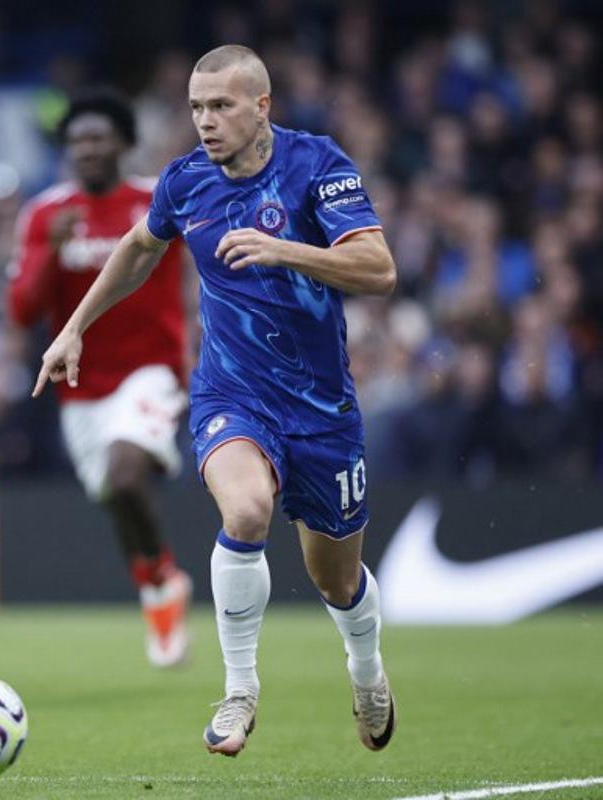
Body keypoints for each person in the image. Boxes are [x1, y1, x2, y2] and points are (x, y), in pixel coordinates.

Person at [33, 46, 398, 756]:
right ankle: (239, 691)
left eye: (221, 106)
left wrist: (286, 249)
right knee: (246, 509)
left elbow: (378, 268)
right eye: (197, 107)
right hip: (231, 392)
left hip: (321, 409)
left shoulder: (318, 168)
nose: (205, 121)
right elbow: (141, 249)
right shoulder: (185, 180)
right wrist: (75, 327)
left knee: (337, 578)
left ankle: (366, 669)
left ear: (261, 107)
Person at [8, 89, 192, 667]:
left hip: (151, 368)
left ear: (123, 143)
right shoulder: (44, 215)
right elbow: (21, 310)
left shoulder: (154, 200)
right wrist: (48, 253)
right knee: (117, 494)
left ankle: (160, 581)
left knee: (126, 471)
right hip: (80, 386)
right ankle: (159, 579)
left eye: (97, 137)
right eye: (77, 140)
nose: (86, 149)